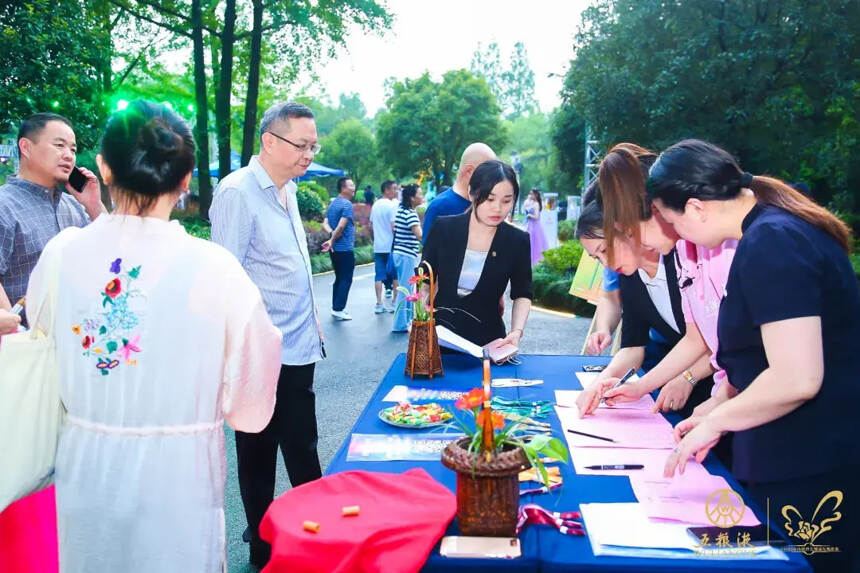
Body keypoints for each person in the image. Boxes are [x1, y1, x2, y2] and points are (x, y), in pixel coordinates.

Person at [22, 100, 282, 573]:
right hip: (178, 477)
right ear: (185, 181)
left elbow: (39, 331)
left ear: (103, 166)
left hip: (87, 467)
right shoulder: (214, 268)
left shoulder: (63, 253)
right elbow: (252, 401)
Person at [653, 140, 860, 573]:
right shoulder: (765, 234)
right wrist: (719, 405)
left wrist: (716, 420)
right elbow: (760, 360)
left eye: (674, 223)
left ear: (696, 208)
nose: (678, 236)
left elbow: (797, 377)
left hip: (810, 465)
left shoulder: (773, 241)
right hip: (791, 453)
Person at [210, 101, 325, 569]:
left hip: (298, 348)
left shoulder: (289, 189)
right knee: (257, 453)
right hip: (258, 352)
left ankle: (318, 535)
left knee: (303, 449)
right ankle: (261, 546)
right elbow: (225, 275)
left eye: (314, 146)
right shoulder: (237, 192)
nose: (309, 155)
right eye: (302, 145)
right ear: (270, 142)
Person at [577, 143, 737, 418]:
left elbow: (735, 344)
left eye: (628, 231)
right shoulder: (678, 256)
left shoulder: (701, 251)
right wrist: (636, 386)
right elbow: (699, 338)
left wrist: (690, 381)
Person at [0, 113, 105, 315]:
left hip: (76, 335)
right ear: (26, 147)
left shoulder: (75, 207)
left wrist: (94, 205)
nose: (69, 155)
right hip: (25, 338)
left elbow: (112, 256)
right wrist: (12, 330)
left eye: (73, 149)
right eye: (59, 145)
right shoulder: (4, 205)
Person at [423, 160, 532, 348]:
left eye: (507, 200)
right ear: (472, 193)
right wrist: (420, 320)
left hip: (490, 343)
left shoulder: (517, 240)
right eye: (490, 199)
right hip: (439, 339)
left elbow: (522, 293)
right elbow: (424, 281)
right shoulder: (444, 228)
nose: (498, 208)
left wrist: (516, 332)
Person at [422, 143, 496, 242]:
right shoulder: (439, 207)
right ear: (469, 171)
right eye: (488, 172)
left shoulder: (489, 204)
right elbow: (430, 254)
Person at [391, 183, 424, 332]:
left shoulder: (401, 210)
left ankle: (405, 321)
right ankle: (400, 324)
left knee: (406, 288)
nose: (422, 196)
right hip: (406, 254)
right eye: (419, 194)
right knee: (405, 290)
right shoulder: (410, 214)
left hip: (399, 252)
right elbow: (420, 236)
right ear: (412, 197)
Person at [322, 177, 356, 320]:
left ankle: (335, 307)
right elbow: (341, 227)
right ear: (343, 188)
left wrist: (331, 237)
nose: (354, 187)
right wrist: (333, 238)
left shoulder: (333, 203)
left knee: (339, 278)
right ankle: (338, 309)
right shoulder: (347, 204)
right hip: (345, 249)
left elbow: (325, 223)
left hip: (334, 249)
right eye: (351, 185)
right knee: (346, 278)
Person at [369, 180, 399, 313]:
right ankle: (394, 303)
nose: (396, 191)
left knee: (379, 275)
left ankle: (379, 304)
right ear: (387, 190)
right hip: (391, 246)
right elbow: (394, 227)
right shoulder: (392, 206)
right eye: (394, 188)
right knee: (395, 276)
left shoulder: (375, 205)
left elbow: (370, 225)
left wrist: (374, 239)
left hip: (378, 246)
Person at [521, 188, 549, 265]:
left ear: (535, 195)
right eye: (530, 194)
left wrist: (530, 215)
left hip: (535, 226)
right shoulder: (531, 203)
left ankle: (536, 260)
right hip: (530, 225)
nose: (530, 195)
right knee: (529, 242)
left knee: (535, 243)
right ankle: (528, 259)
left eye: (532, 194)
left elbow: (537, 217)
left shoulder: (536, 204)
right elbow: (524, 209)